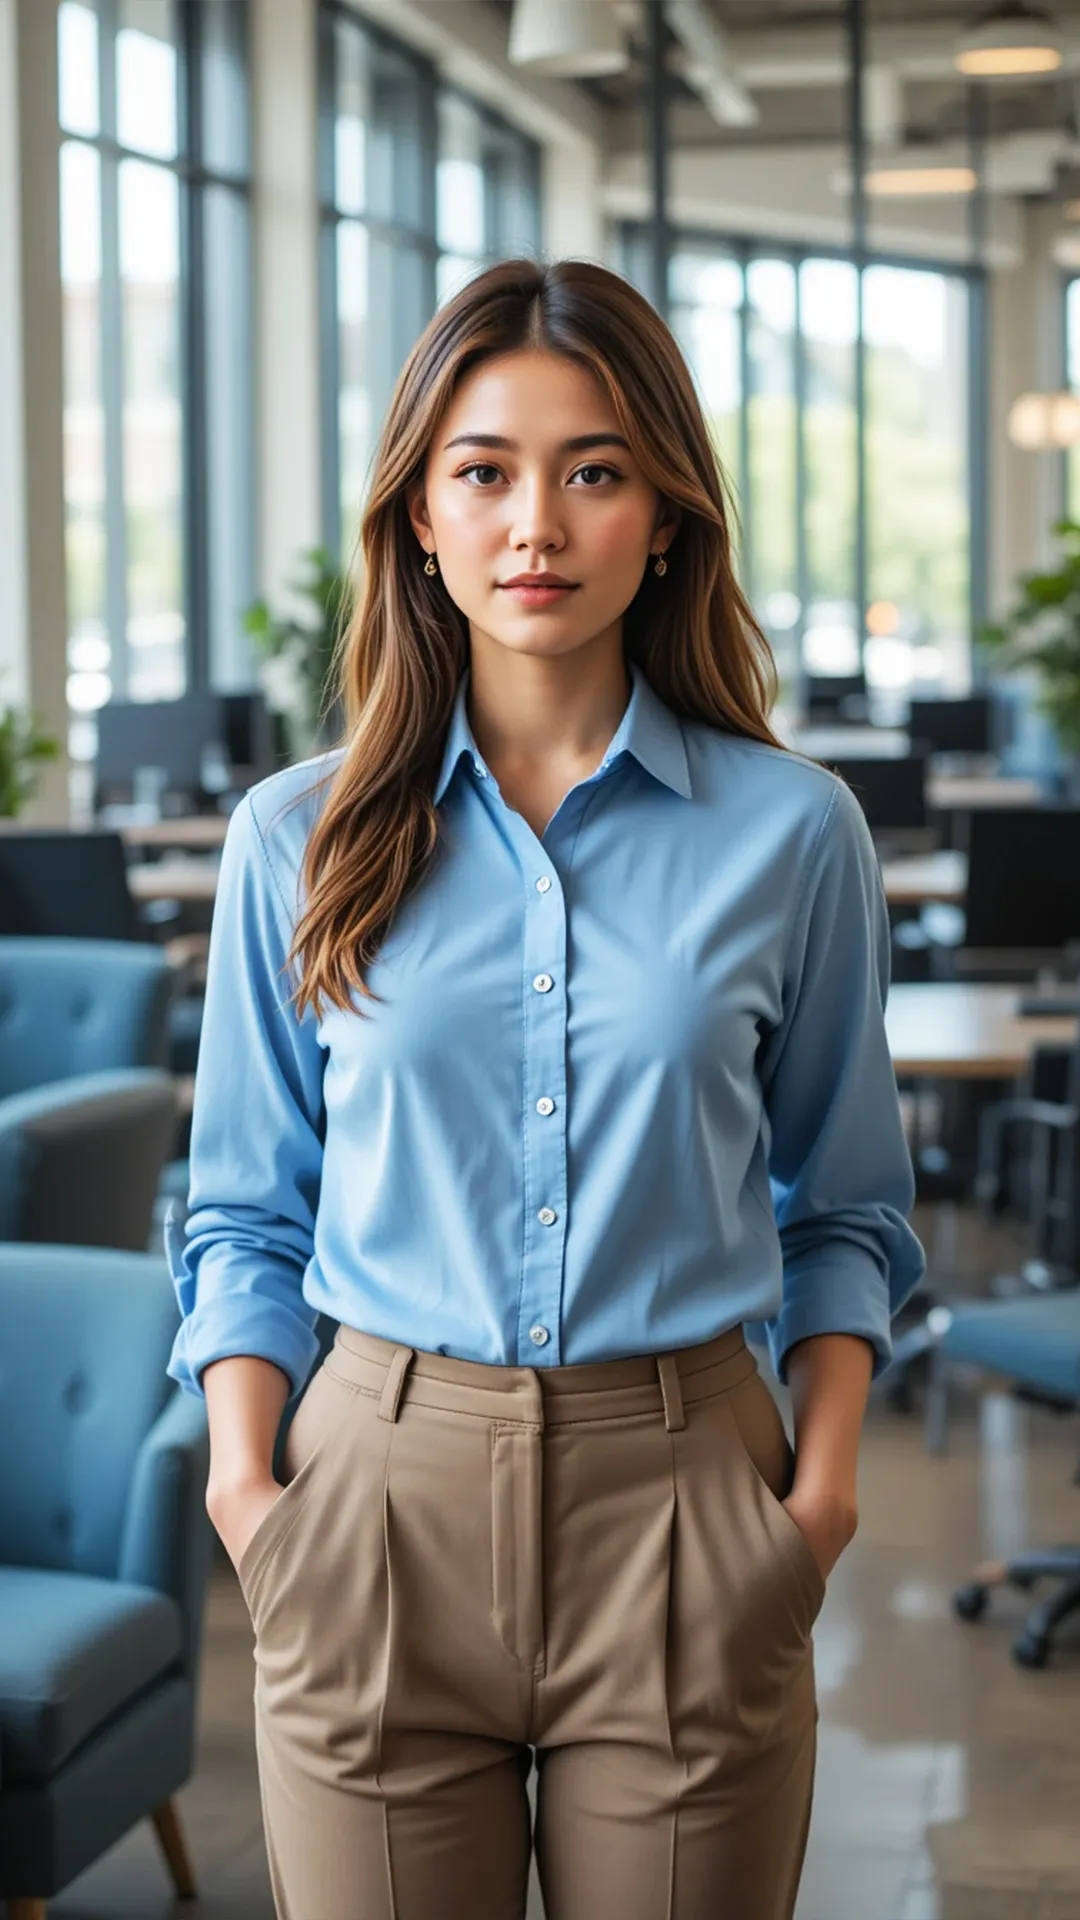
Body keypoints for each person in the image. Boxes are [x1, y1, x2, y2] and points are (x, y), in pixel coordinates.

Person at [164, 257, 926, 1920]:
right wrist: (249, 1491)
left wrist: (814, 1501)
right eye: (483, 471)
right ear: (419, 520)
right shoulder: (295, 839)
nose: (536, 524)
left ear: (665, 518)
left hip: (689, 1502)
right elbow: (241, 1209)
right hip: (372, 1504)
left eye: (592, 471)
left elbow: (848, 1205)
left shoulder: (794, 833)